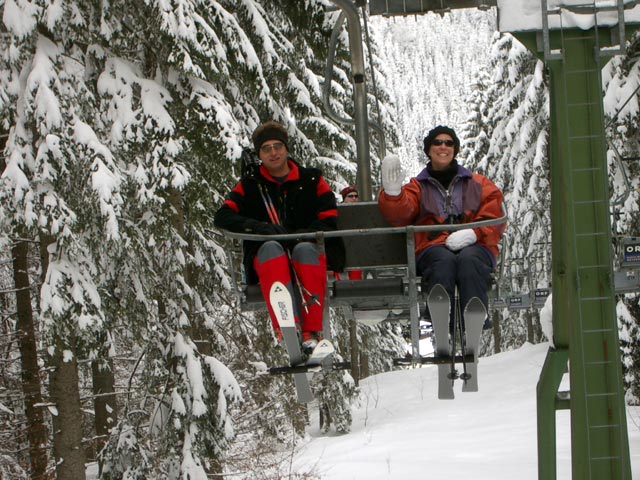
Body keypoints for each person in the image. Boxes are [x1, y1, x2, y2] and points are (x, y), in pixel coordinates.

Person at [214, 120, 344, 353]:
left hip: (308, 249)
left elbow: (329, 216)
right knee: (272, 249)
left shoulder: (312, 180)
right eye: (266, 148)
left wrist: (302, 236)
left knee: (304, 251)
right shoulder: (250, 185)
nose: (273, 153)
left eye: (277, 146)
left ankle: (311, 330)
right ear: (259, 154)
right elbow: (223, 216)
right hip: (268, 253)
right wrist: (257, 228)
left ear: (286, 148)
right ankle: (287, 326)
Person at [378, 125, 505, 327]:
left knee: (469, 260)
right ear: (429, 150)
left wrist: (475, 233)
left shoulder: (477, 184)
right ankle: (440, 313)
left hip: (476, 245)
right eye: (437, 142)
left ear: (455, 149)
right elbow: (401, 213)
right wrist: (394, 195)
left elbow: (495, 212)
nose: (443, 146)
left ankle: (474, 315)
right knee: (443, 261)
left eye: (449, 142)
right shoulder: (418, 186)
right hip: (433, 246)